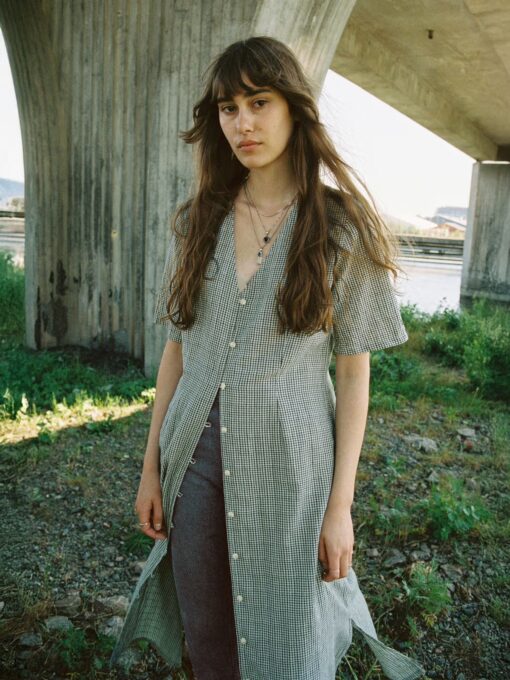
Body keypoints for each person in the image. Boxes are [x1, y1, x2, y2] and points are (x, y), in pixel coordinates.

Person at [110, 36, 426, 680]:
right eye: (228, 108)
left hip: (292, 469)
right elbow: (178, 352)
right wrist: (151, 471)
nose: (242, 123)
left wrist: (339, 507)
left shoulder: (340, 228)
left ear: (294, 108)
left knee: (289, 639)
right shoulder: (198, 222)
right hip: (193, 462)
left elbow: (353, 373)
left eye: (259, 102)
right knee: (209, 641)